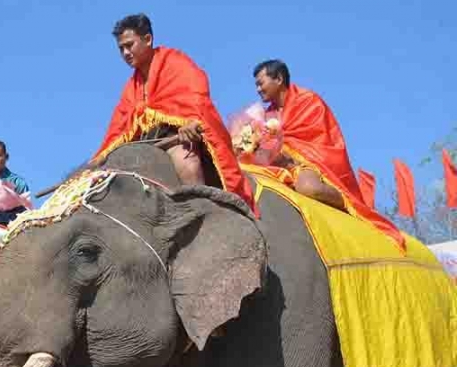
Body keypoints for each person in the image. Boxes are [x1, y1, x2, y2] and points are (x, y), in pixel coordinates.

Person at [90, 14, 254, 211]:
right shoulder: (130, 87)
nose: (125, 52)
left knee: (187, 164)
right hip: (144, 146)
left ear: (148, 39)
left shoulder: (176, 62)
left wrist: (191, 123)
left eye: (129, 45)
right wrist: (97, 161)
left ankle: (203, 216)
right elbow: (119, 127)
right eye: (121, 49)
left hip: (176, 140)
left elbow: (197, 98)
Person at [251, 59, 404, 244]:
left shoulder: (307, 101)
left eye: (261, 83)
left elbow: (319, 141)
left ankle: (349, 203)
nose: (258, 89)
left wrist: (289, 153)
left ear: (279, 79)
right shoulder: (266, 115)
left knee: (308, 188)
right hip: (279, 166)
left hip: (308, 163)